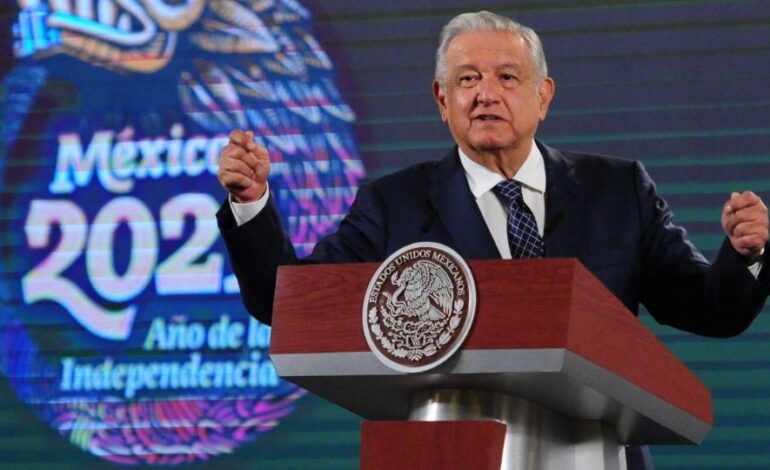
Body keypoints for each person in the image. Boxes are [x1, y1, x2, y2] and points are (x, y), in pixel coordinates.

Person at [216, 11, 769, 470]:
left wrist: (746, 255)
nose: (485, 94)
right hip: (451, 454)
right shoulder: (392, 205)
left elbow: (709, 307)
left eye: (507, 77)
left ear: (543, 95)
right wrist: (252, 205)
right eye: (466, 80)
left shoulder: (618, 190)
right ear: (441, 99)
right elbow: (289, 304)